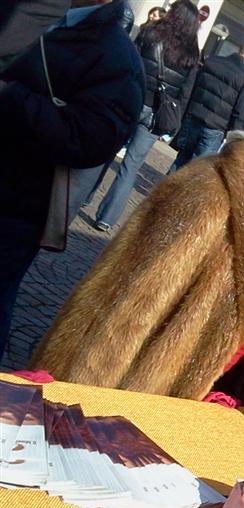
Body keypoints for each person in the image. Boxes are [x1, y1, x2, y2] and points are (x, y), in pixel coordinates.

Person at [31, 121, 244, 405]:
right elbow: (128, 311)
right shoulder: (208, 197)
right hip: (133, 402)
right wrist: (79, 406)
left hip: (184, 404)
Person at [0, 0, 144, 348]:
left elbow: (90, 139)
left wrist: (13, 97)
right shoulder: (29, 10)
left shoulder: (117, 57)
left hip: (18, 202)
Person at [91, 0, 201, 232]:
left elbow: (129, 62)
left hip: (132, 100)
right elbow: (185, 92)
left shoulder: (151, 32)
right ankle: (107, 218)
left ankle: (86, 195)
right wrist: (174, 120)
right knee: (131, 166)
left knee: (106, 149)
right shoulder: (192, 54)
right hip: (157, 114)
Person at [170, 40, 244, 169]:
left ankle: (168, 181)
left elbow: (192, 87)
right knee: (197, 169)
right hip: (215, 127)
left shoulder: (212, 61)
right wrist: (234, 139)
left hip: (194, 116)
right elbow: (239, 112)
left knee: (182, 158)